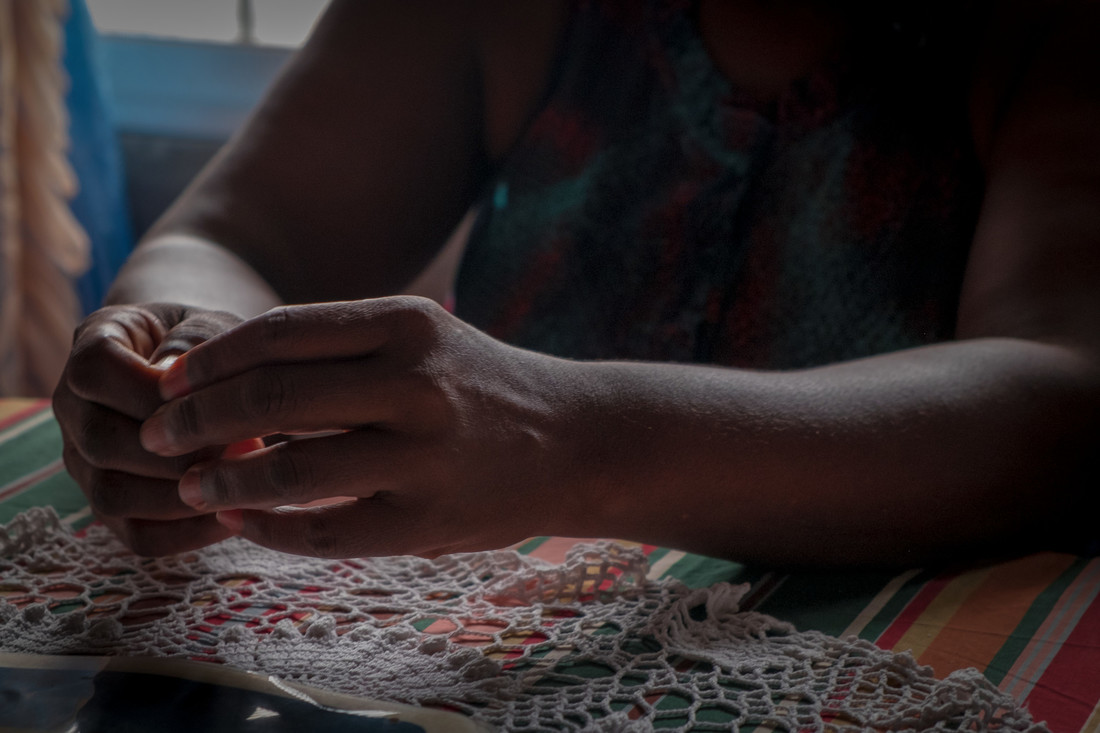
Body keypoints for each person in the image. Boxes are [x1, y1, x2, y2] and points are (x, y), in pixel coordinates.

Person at [52, 0, 1099, 567]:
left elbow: (1061, 396)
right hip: (495, 667)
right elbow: (245, 227)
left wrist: (568, 437)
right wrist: (186, 352)